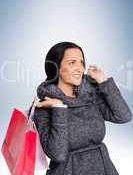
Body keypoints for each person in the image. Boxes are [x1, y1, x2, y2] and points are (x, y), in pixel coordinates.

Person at [33, 41, 132, 175]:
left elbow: (124, 116)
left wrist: (103, 81)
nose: (80, 68)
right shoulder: (45, 108)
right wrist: (59, 108)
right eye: (72, 63)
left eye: (81, 62)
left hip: (104, 169)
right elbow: (58, 154)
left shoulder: (90, 96)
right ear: (56, 67)